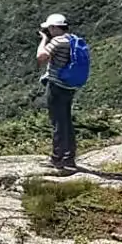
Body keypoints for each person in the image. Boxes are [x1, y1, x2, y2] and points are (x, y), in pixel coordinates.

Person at [35, 13, 88, 170]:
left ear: (53, 27)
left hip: (57, 87)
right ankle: (69, 157)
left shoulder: (58, 41)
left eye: (48, 29)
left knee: (57, 121)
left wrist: (44, 40)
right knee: (66, 121)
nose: (48, 32)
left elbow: (41, 57)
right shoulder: (72, 39)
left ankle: (57, 158)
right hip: (69, 86)